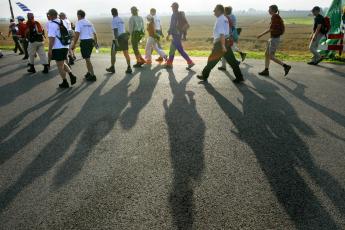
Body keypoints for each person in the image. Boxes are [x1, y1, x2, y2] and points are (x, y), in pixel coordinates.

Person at [197, 4, 244, 84]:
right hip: (225, 42)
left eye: (215, 9)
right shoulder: (224, 18)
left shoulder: (221, 19)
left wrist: (222, 46)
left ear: (219, 10)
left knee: (211, 60)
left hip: (220, 44)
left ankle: (204, 75)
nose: (213, 11)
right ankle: (239, 77)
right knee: (232, 61)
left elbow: (222, 33)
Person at [257, 5, 291, 77]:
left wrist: (261, 35)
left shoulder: (275, 17)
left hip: (274, 39)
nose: (268, 10)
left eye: (269, 9)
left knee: (271, 56)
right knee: (266, 54)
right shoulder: (275, 16)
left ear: (272, 10)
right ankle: (266, 70)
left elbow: (271, 29)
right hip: (273, 38)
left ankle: (285, 66)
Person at [47, 9, 77, 89]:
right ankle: (71, 75)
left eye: (49, 15)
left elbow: (51, 38)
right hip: (65, 45)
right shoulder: (62, 21)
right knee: (62, 63)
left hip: (58, 47)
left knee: (59, 66)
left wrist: (50, 49)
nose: (48, 16)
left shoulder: (52, 24)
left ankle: (65, 82)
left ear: (51, 15)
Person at [165, 2, 195, 70]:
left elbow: (172, 26)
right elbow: (186, 24)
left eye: (172, 7)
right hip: (178, 35)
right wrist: (183, 34)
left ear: (175, 7)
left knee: (179, 50)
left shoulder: (175, 15)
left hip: (176, 35)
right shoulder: (180, 14)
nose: (171, 8)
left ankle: (190, 62)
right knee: (174, 50)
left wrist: (168, 34)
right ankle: (169, 63)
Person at [72, 10, 98, 81]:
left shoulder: (79, 22)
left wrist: (74, 44)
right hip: (91, 41)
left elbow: (77, 34)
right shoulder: (89, 22)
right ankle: (89, 72)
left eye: (77, 15)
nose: (77, 17)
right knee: (87, 59)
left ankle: (93, 75)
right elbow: (95, 34)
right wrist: (96, 43)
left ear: (79, 15)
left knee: (87, 59)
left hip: (85, 42)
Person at [218, 6, 246, 71]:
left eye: (224, 11)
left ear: (226, 11)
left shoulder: (228, 17)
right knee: (227, 50)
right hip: (231, 35)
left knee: (226, 51)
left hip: (228, 36)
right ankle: (224, 65)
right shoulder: (232, 16)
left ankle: (233, 63)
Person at [106, 8, 132, 74]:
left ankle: (112, 67)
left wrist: (116, 40)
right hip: (124, 36)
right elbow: (124, 29)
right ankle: (129, 67)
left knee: (113, 53)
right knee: (126, 53)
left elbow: (115, 31)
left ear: (112, 13)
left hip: (118, 38)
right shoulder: (121, 19)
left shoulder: (114, 20)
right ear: (117, 12)